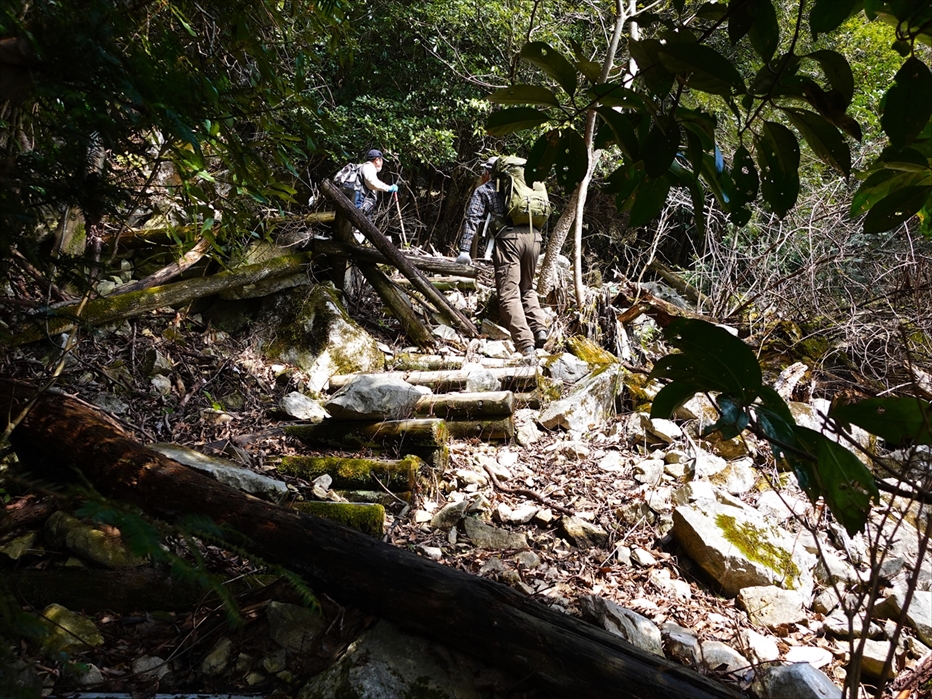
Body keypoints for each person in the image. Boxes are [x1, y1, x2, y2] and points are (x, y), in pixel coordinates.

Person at [456, 156, 548, 357]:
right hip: (534, 237)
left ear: (489, 172)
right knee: (527, 288)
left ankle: (526, 344)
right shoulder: (526, 187)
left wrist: (464, 250)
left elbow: (473, 218)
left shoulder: (485, 190)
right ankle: (540, 330)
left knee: (508, 294)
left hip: (509, 240)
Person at [356, 149, 398, 218]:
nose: (382, 163)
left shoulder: (363, 167)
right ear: (377, 160)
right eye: (381, 160)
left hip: (355, 197)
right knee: (360, 220)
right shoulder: (369, 167)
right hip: (359, 199)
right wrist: (389, 188)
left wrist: (388, 187)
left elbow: (374, 181)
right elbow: (372, 183)